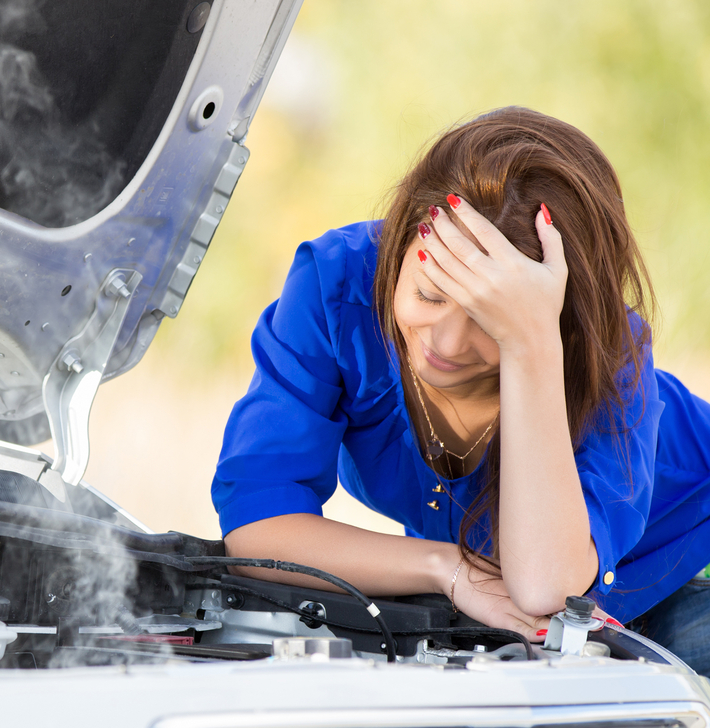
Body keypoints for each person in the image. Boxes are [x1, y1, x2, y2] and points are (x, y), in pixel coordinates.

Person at [211, 106, 710, 675]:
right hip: (508, 614)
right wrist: (448, 568)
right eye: (428, 295)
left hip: (684, 562)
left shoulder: (605, 348)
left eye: (488, 320)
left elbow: (547, 583)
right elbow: (256, 523)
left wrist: (532, 346)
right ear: (399, 244)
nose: (445, 342)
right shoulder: (337, 286)